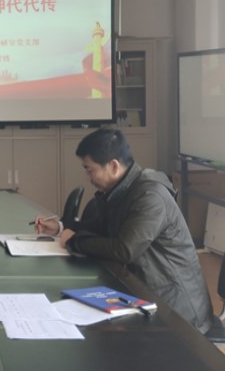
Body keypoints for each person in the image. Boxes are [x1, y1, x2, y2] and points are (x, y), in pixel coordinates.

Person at [35, 128, 216, 334]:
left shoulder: (150, 195)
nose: (87, 177)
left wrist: (73, 241)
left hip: (179, 312)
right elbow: (100, 227)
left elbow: (125, 249)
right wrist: (61, 227)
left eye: (90, 170)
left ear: (113, 166)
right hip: (145, 292)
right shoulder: (121, 190)